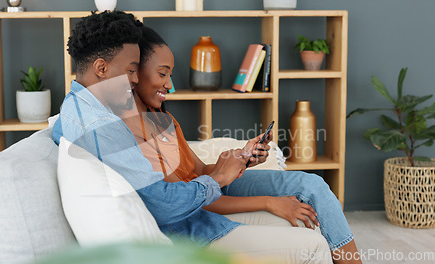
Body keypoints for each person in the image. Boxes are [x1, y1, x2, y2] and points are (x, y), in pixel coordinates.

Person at [52, 11, 339, 264]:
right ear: (101, 68)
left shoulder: (76, 110)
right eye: (130, 71)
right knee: (313, 245)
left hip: (197, 221)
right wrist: (220, 178)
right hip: (189, 234)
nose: (136, 79)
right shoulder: (103, 125)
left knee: (306, 212)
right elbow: (165, 204)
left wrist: (232, 165)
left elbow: (189, 175)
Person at [126, 25, 363, 264]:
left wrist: (241, 159)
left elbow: (200, 171)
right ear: (134, 73)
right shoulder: (132, 134)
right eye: (162, 74)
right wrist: (269, 202)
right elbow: (191, 197)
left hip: (215, 186)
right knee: (305, 223)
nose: (169, 85)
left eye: (170, 75)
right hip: (204, 198)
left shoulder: (163, 119)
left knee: (313, 184)